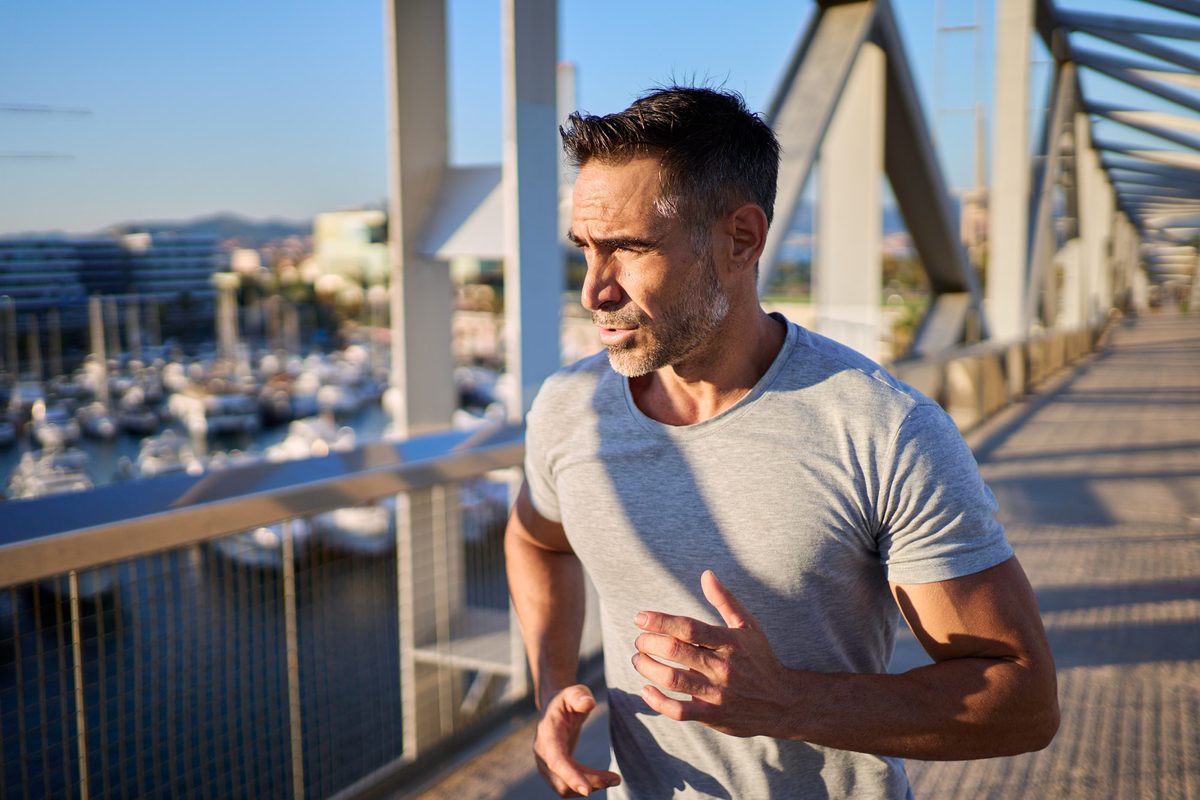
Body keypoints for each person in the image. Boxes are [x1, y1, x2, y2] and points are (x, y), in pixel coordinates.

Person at [504, 85, 1058, 799]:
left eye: (630, 249)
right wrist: (552, 688)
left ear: (741, 238)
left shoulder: (884, 431)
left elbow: (1023, 700)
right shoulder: (567, 408)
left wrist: (788, 701)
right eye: (586, 249)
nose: (593, 291)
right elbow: (536, 540)